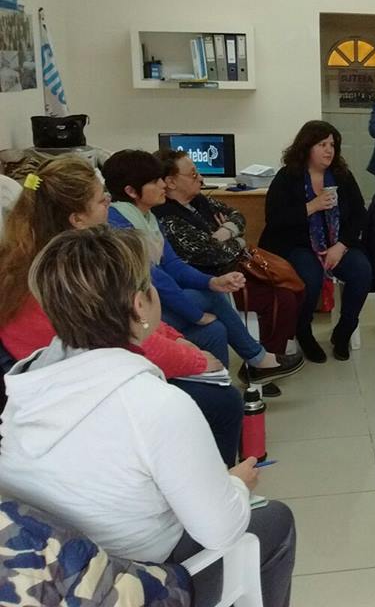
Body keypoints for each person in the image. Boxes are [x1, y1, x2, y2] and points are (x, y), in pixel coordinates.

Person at [0, 226, 296, 607]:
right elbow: (221, 531)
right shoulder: (157, 406)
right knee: (275, 521)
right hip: (133, 582)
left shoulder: (23, 386)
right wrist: (236, 485)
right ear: (140, 305)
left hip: (47, 577)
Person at [0, 157, 243, 466]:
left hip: (81, 371)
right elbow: (122, 341)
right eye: (101, 199)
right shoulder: (71, 273)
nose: (109, 203)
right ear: (77, 218)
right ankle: (214, 477)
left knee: (210, 341)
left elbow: (130, 323)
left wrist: (178, 341)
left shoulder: (46, 256)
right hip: (73, 393)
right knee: (222, 400)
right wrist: (194, 359)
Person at [102, 150, 303, 385]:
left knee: (215, 329)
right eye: (155, 181)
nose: (162, 185)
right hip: (136, 313)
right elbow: (158, 279)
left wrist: (212, 282)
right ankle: (257, 361)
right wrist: (196, 314)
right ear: (131, 191)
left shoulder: (148, 218)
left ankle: (222, 388)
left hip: (159, 301)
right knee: (211, 298)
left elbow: (173, 265)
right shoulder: (119, 225)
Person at [260, 121, 372, 362]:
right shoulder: (287, 177)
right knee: (309, 277)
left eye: (332, 145)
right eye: (322, 144)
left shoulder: (342, 176)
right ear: (307, 146)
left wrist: (341, 246)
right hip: (297, 244)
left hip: (337, 243)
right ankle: (303, 330)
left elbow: (360, 215)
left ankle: (344, 330)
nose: (329, 150)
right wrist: (311, 206)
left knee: (362, 270)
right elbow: (275, 219)